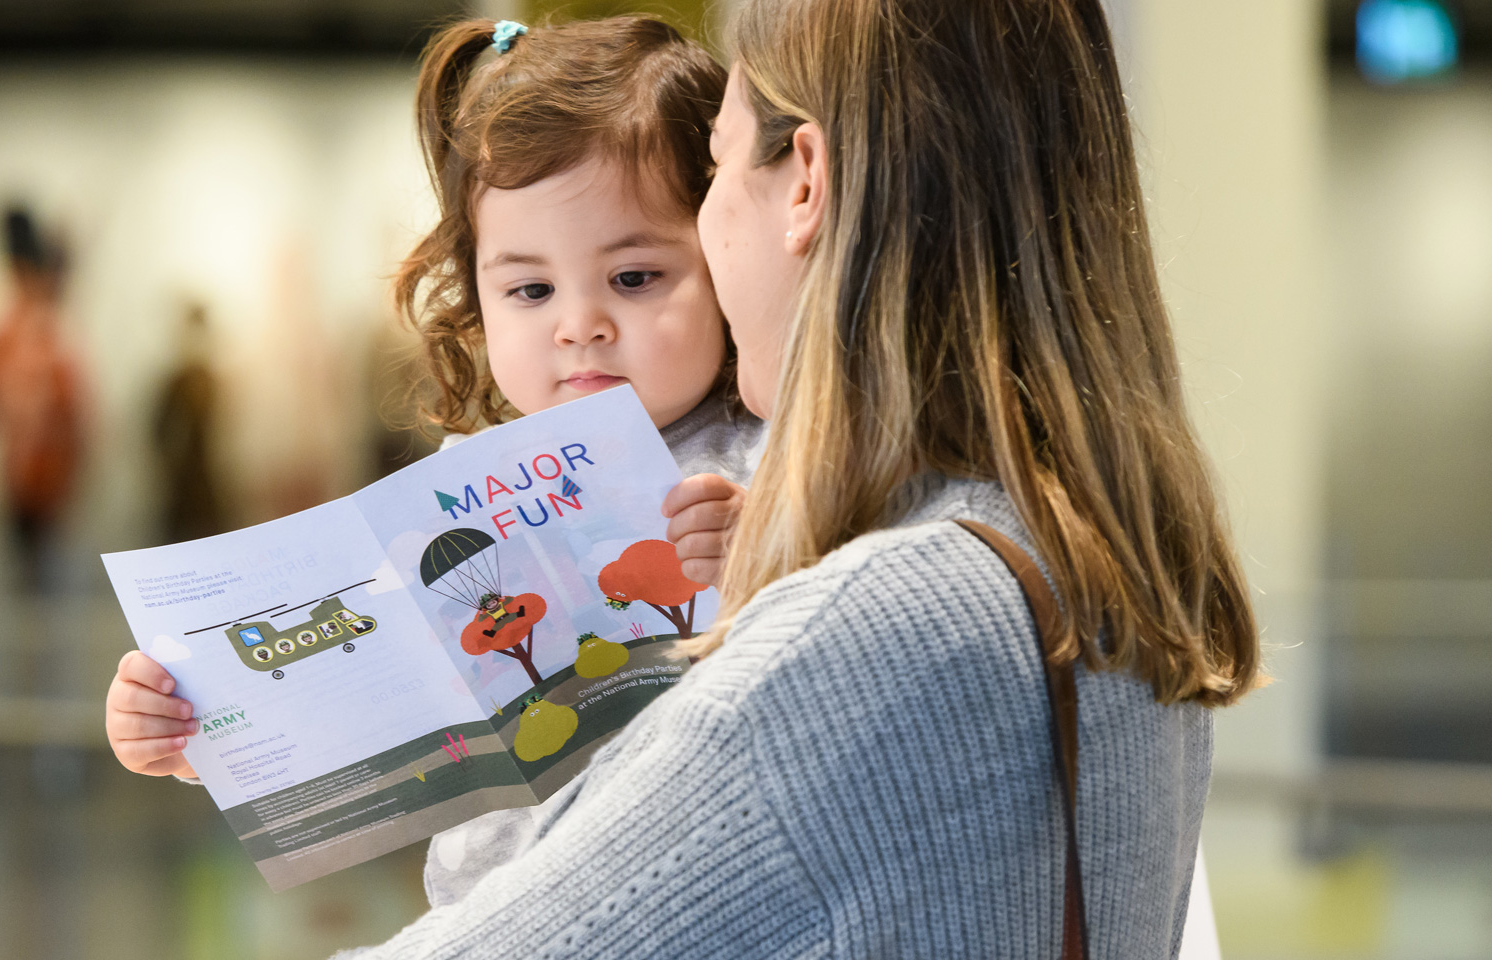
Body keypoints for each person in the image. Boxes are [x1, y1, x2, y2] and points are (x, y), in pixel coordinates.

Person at [300, 0, 1253, 955]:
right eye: (530, 287)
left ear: (804, 183)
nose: (581, 323)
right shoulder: (1089, 544)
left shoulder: (876, 619)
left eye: (715, 168)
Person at [103, 15, 764, 907]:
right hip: (492, 912)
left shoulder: (766, 454)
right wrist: (194, 731)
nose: (579, 325)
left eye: (635, 277)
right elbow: (358, 695)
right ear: (476, 296)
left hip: (691, 905)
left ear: (724, 254)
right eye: (530, 289)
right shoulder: (461, 488)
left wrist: (765, 552)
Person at [0, 207, 88, 592]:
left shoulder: (45, 337)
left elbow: (73, 416)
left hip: (44, 479)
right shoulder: (14, 331)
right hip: (21, 478)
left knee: (41, 581)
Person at [151, 302, 225, 542]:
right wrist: (169, 466)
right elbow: (158, 430)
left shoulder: (213, 380)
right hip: (182, 487)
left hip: (210, 484)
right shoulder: (177, 382)